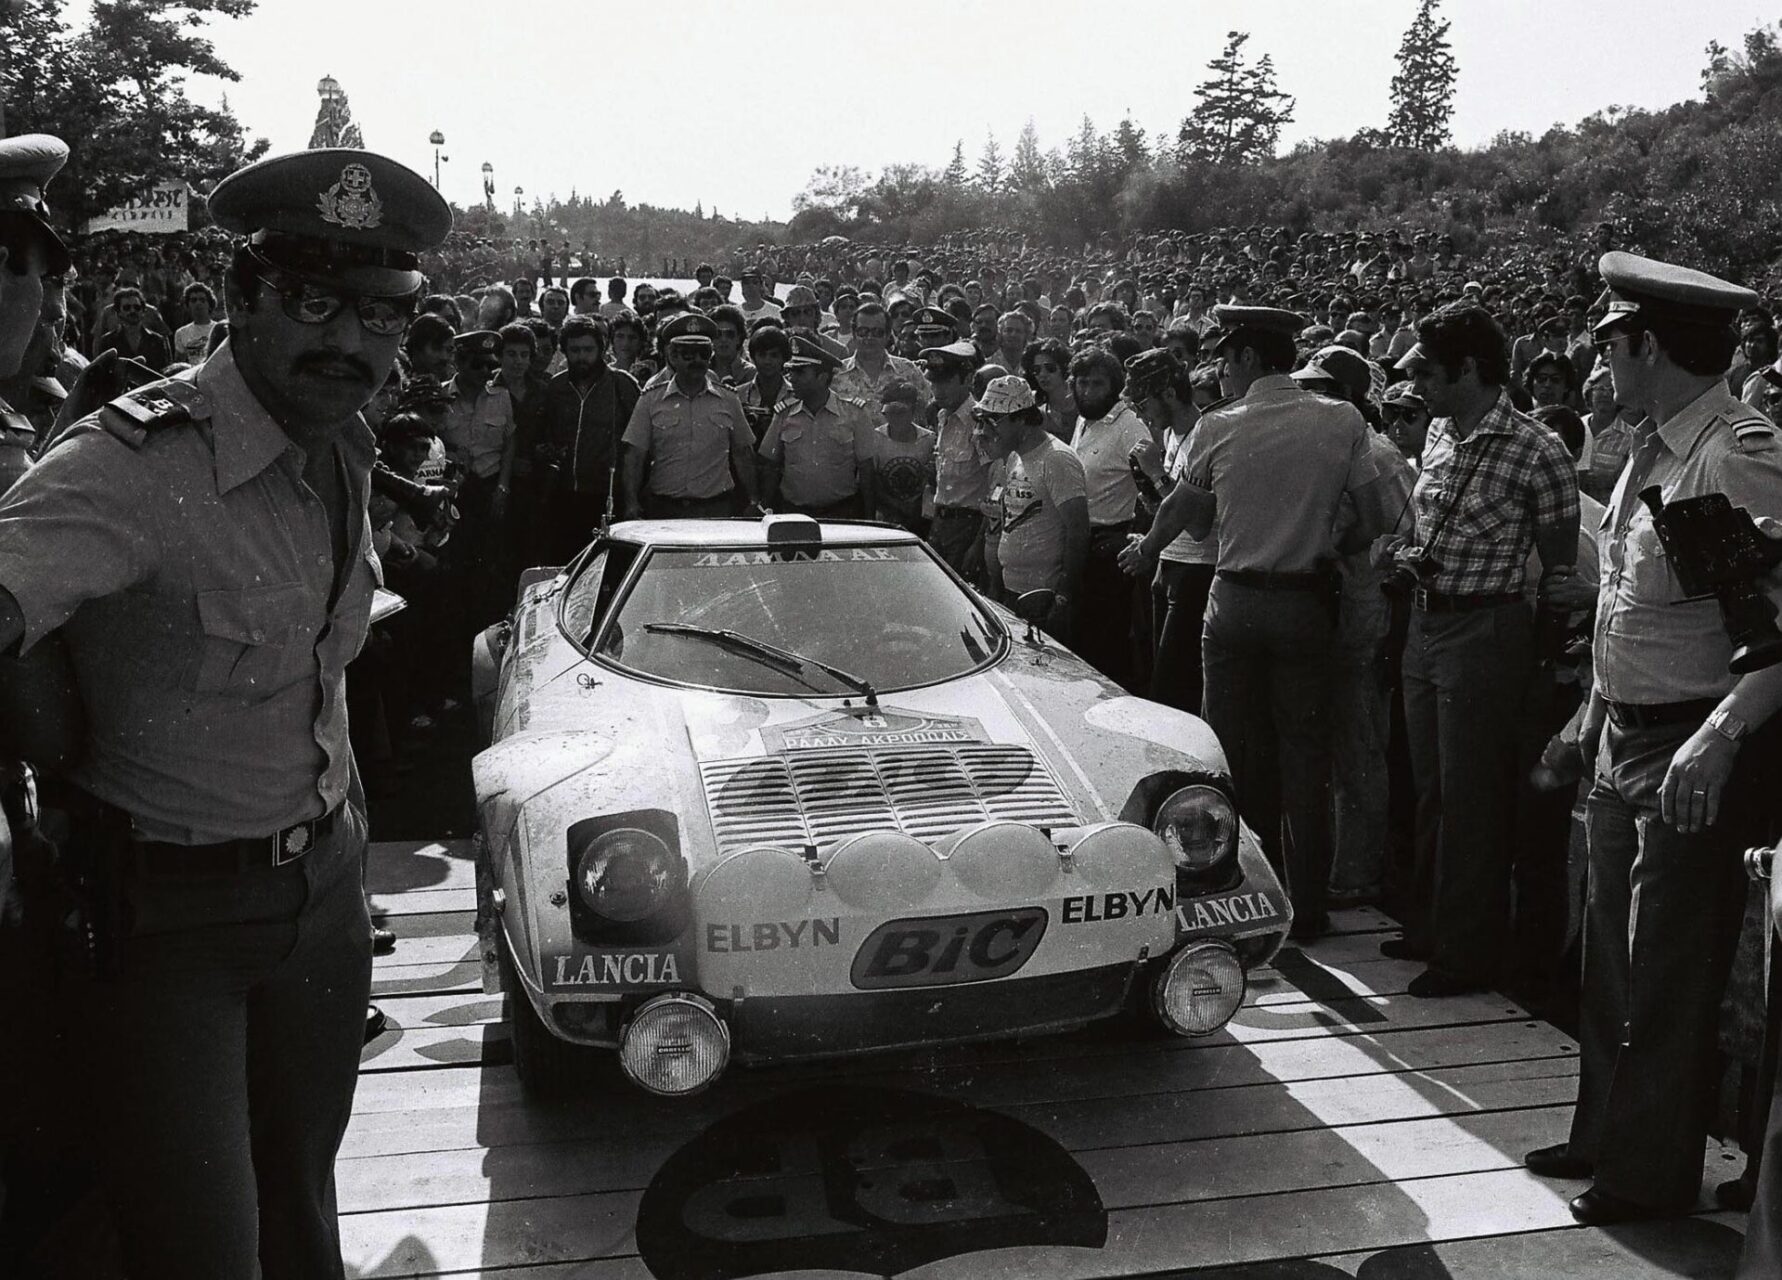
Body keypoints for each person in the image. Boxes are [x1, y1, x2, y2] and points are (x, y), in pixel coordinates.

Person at [0, 146, 450, 1278]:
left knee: (303, 1209)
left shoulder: (338, 443)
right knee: (206, 1249)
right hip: (168, 922)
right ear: (242, 296)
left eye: (381, 314)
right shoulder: (129, 466)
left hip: (325, 897)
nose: (350, 342)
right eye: (311, 302)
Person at [1524, 253, 1782, 1227]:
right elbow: (1630, 608)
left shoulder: (1726, 454)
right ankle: (1607, 1132)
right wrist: (1588, 716)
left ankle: (1645, 1171)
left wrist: (1716, 737)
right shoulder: (1654, 447)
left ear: (1649, 344)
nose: (1596, 356)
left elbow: (1772, 628)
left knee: (1666, 970)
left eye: (1606, 338)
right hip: (1624, 735)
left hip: (1687, 745)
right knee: (1612, 959)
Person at [1122, 306, 1396, 939]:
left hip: (1235, 601)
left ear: (1246, 357)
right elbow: (1378, 514)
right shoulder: (1342, 419)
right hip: (1305, 601)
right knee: (1306, 757)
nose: (1218, 371)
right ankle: (1308, 904)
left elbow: (1180, 511)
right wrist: (1328, 543)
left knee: (1229, 754)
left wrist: (1145, 550)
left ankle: (1234, 890)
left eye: (1224, 358)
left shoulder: (1220, 426)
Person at [1379, 304, 1582, 997]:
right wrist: (1405, 558)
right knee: (1433, 788)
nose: (1420, 387)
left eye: (1430, 372)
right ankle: (1436, 924)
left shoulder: (1537, 449)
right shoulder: (1438, 433)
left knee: (1471, 798)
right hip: (1425, 623)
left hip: (1486, 632)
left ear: (1469, 369)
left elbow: (1557, 576)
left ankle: (1468, 953)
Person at [1119, 348, 1216, 712]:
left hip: (1197, 569)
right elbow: (1168, 511)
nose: (1141, 414)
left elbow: (1197, 525)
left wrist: (1157, 473)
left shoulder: (1202, 436)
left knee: (1174, 686)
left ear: (1170, 394)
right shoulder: (1174, 435)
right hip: (1170, 563)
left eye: (1144, 404)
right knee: (1158, 671)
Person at [979, 374, 1087, 638]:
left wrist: (1063, 595)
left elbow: (1079, 531)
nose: (986, 430)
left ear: (1022, 419)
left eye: (994, 421)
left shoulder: (1056, 459)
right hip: (1011, 587)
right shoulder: (1015, 456)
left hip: (1043, 595)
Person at [620, 311, 758, 519]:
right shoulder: (651, 399)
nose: (697, 360)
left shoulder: (728, 399)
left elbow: (743, 453)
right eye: (688, 354)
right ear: (673, 356)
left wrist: (754, 500)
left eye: (703, 353)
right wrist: (631, 502)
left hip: (715, 509)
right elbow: (635, 456)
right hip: (665, 509)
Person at [1068, 344, 1150, 691]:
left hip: (1110, 548)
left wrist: (1135, 534)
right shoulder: (1084, 421)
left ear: (1114, 386)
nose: (1087, 391)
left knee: (1106, 648)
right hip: (1079, 542)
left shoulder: (1129, 426)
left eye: (1097, 384)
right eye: (1082, 382)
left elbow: (1153, 490)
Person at [537, 314, 639, 560]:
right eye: (575, 350)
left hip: (609, 497)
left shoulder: (622, 384)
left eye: (588, 349)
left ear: (602, 349)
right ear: (565, 351)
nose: (582, 357)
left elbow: (639, 442)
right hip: (564, 496)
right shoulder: (556, 386)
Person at [758, 331, 876, 519]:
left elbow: (866, 469)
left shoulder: (853, 413)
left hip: (840, 512)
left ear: (822, 377)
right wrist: (765, 508)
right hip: (794, 513)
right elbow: (771, 465)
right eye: (791, 371)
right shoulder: (784, 413)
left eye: (800, 372)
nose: (792, 378)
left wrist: (869, 519)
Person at [921, 339, 991, 579]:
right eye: (933, 382)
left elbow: (995, 486)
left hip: (969, 526)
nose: (937, 390)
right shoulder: (942, 416)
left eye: (945, 382)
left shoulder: (979, 422)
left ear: (967, 378)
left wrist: (979, 544)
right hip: (940, 522)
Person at [869, 378, 934, 534]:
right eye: (890, 413)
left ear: (913, 411)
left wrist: (915, 509)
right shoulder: (876, 439)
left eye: (901, 413)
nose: (895, 419)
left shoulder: (929, 440)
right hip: (887, 516)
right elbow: (872, 481)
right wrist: (896, 507)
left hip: (920, 517)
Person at [173, 281, 220, 365]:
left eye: (202, 300)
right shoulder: (181, 333)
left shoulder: (219, 329)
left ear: (210, 304)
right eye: (193, 300)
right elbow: (179, 364)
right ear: (188, 305)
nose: (198, 303)